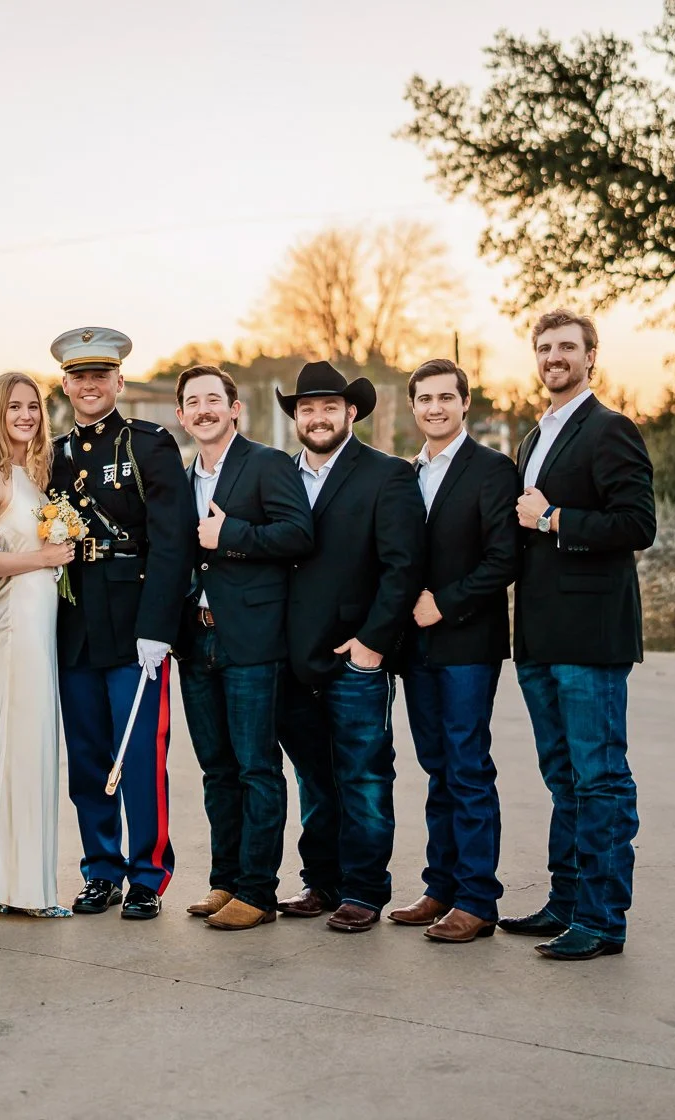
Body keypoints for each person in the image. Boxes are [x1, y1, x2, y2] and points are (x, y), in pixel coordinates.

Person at [501, 309, 655, 962]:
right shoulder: (532, 438)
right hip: (537, 638)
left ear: (592, 357)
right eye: (545, 347)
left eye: (567, 347)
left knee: (600, 780)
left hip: (590, 640)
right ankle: (565, 902)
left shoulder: (611, 430)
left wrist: (555, 517)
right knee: (562, 778)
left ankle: (601, 918)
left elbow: (635, 524)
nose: (554, 356)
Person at [50, 327, 196, 921]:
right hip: (75, 622)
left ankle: (147, 874)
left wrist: (158, 625)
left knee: (138, 757)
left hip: (136, 625)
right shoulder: (54, 453)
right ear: (64, 385)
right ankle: (100, 870)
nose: (89, 385)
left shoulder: (150, 444)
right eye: (79, 377)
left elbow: (172, 541)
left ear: (119, 382)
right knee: (87, 758)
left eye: (100, 376)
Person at [275, 360, 425, 933]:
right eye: (307, 409)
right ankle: (322, 881)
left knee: (363, 775)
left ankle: (364, 889)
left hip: (355, 657)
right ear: (296, 417)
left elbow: (402, 567)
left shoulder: (386, 475)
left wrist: (372, 644)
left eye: (329, 407)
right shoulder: (282, 474)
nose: (317, 418)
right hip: (293, 657)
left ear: (351, 412)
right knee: (313, 777)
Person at [171, 365, 312, 931]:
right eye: (192, 403)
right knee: (216, 769)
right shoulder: (182, 479)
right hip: (196, 639)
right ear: (180, 416)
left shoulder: (266, 464)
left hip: (252, 640)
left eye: (214, 399)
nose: (203, 410)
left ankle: (258, 890)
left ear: (235, 409)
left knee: (257, 767)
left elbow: (299, 534)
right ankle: (224, 880)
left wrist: (232, 536)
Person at [390, 359, 520, 943]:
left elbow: (504, 559)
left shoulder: (492, 469)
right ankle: (439, 887)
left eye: (446, 397)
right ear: (414, 406)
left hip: (466, 640)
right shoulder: (407, 472)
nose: (435, 407)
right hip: (414, 645)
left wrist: (445, 603)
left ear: (465, 403)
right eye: (425, 399)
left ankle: (476, 899)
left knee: (467, 767)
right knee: (436, 767)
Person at [0, 372, 74, 917]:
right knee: (18, 741)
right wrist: (43, 559)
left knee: (29, 743)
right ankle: (20, 887)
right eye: (15, 407)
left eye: (34, 406)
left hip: (38, 619)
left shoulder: (27, 475)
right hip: (14, 621)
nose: (27, 415)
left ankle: (6, 880)